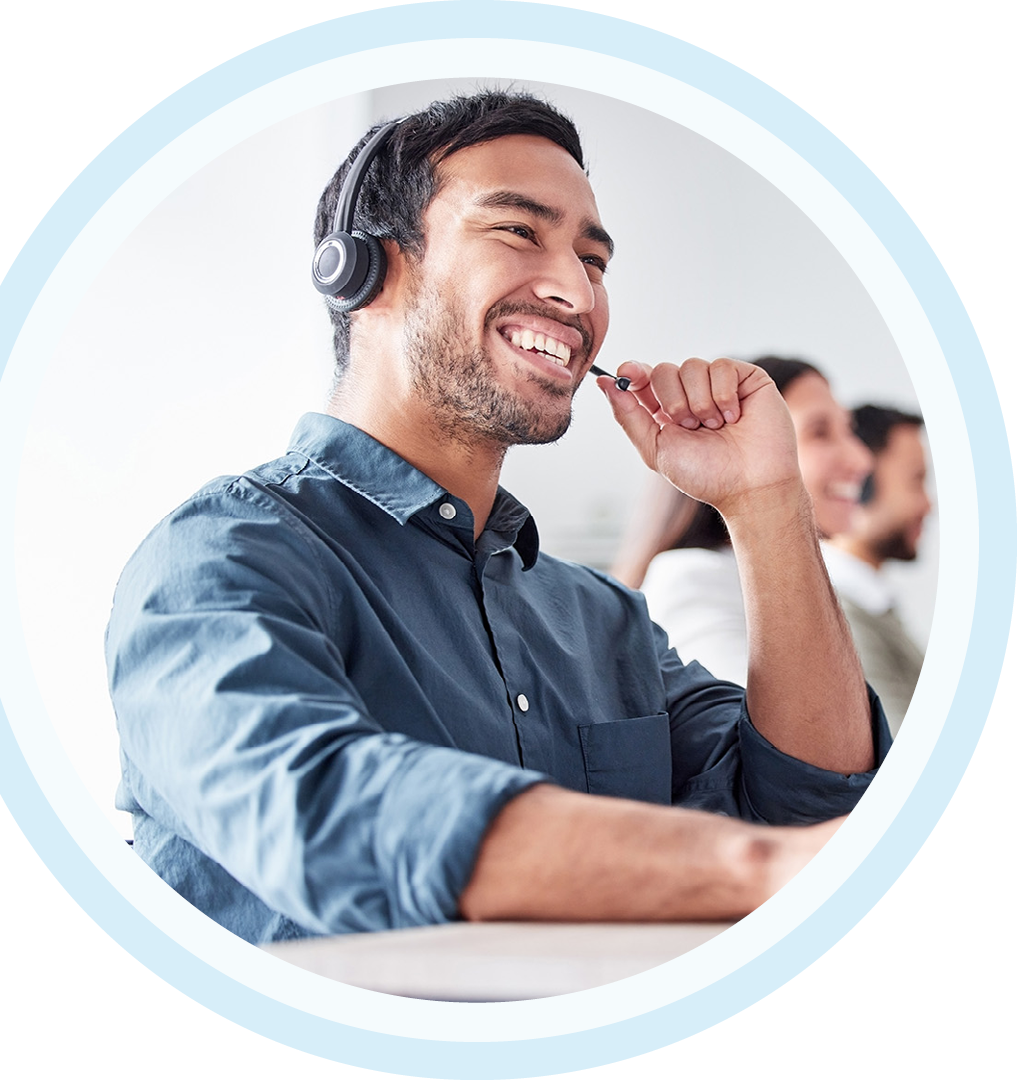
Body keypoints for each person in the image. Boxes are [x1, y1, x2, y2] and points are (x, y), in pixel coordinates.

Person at [105, 92, 889, 946]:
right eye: (519, 231)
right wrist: (757, 868)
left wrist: (767, 501)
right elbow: (324, 812)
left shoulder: (605, 622)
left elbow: (811, 804)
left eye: (594, 260)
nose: (576, 292)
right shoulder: (219, 558)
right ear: (364, 270)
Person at [618, 357, 874, 687]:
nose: (861, 460)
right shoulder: (693, 579)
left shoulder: (809, 582)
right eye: (820, 433)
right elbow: (788, 735)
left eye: (848, 430)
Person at [823, 405, 931, 734]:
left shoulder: (872, 605)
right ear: (861, 485)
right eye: (916, 482)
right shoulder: (841, 618)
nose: (928, 504)